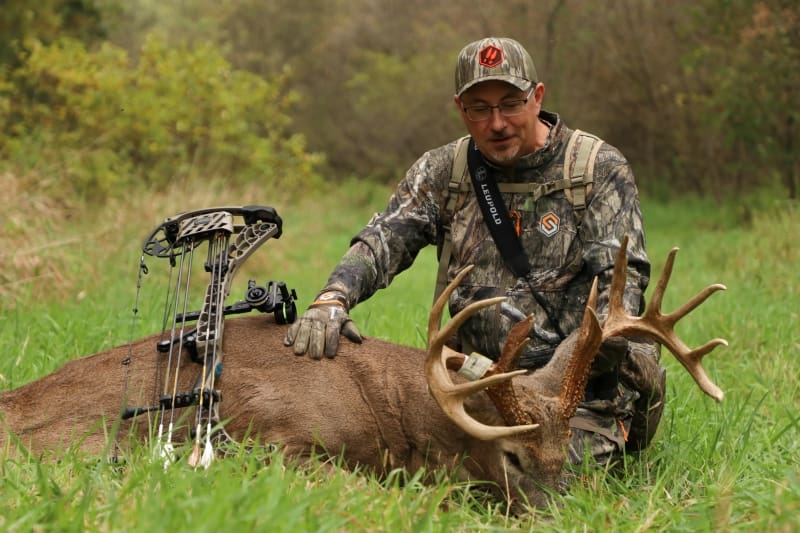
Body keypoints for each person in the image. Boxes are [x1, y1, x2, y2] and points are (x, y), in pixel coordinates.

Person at [284, 37, 666, 465]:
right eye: (479, 109)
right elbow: (386, 237)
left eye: (510, 103)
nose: (497, 123)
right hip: (477, 388)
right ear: (460, 110)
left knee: (528, 479)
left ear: (537, 97)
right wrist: (332, 299)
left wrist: (548, 386)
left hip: (577, 400)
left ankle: (619, 430)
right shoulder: (445, 171)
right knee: (385, 454)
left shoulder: (595, 169)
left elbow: (621, 302)